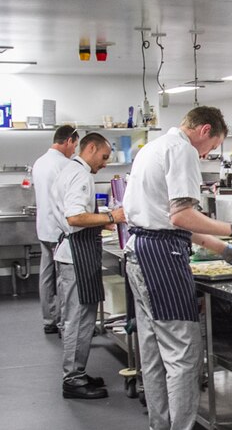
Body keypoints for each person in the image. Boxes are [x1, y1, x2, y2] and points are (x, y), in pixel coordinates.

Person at [124, 106, 232, 430]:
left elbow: (169, 219)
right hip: (161, 257)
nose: (207, 153)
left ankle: (161, 425)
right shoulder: (182, 150)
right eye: (212, 146)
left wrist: (223, 249)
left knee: (155, 354)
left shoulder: (153, 148)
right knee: (184, 356)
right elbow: (180, 217)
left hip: (139, 252)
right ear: (204, 131)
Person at [52, 133, 125, 399]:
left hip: (75, 251)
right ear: (91, 148)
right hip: (75, 255)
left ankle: (78, 373)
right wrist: (111, 216)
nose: (105, 163)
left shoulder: (71, 169)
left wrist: (103, 222)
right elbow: (74, 217)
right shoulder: (81, 175)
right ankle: (72, 380)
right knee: (77, 319)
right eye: (104, 157)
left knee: (83, 319)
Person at [32, 125, 79, 335]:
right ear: (68, 141)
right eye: (75, 146)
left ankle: (48, 319)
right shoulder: (65, 165)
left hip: (43, 227)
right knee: (63, 277)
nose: (74, 151)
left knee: (46, 275)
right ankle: (63, 322)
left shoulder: (39, 162)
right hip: (59, 230)